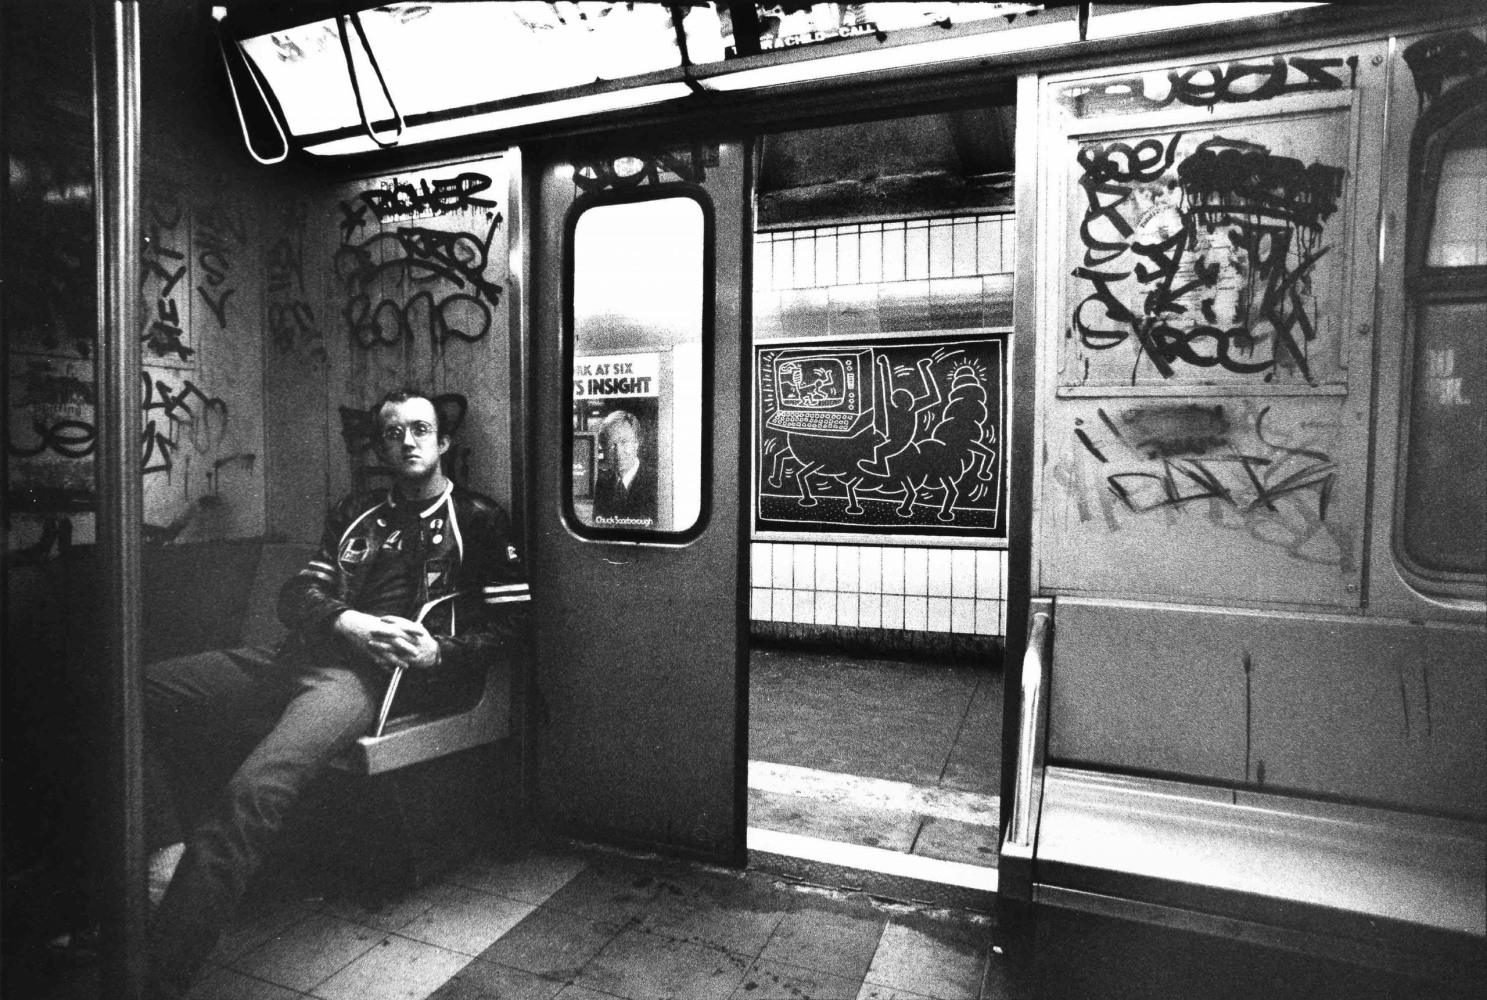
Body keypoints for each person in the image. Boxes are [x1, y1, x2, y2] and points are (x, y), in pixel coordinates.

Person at [143, 388, 526, 998]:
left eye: (420, 430)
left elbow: (512, 624)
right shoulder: (357, 510)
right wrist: (348, 621)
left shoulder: (477, 518)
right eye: (394, 433)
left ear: (444, 442)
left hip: (358, 682)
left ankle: (156, 975)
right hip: (291, 658)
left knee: (252, 791)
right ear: (381, 446)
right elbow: (298, 595)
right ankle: (163, 848)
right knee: (137, 690)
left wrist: (440, 652)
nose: (407, 442)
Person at [589, 409, 657, 527]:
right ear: (603, 448)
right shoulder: (602, 483)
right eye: (611, 444)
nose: (618, 451)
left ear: (637, 443)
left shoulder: (657, 482)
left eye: (624, 442)